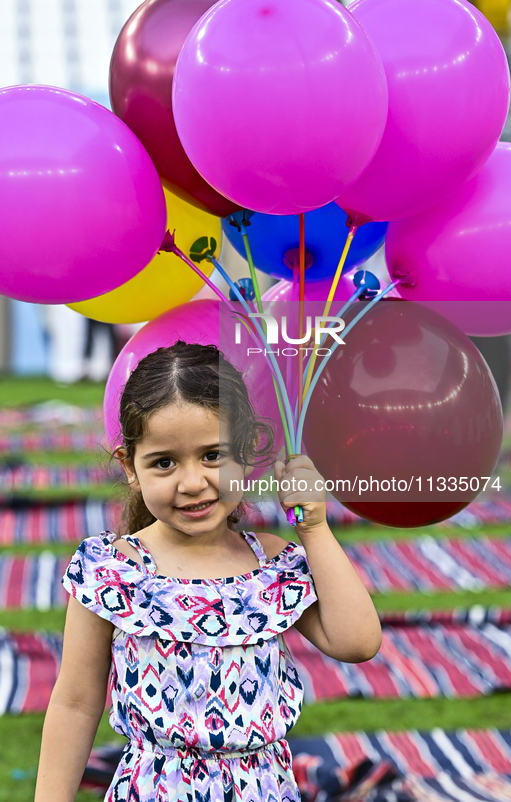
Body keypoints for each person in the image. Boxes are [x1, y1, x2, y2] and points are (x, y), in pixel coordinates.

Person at [34, 341, 382, 802]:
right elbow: (75, 703)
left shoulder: (272, 564)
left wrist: (314, 529)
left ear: (247, 449)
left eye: (213, 456)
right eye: (164, 462)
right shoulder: (111, 571)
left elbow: (357, 642)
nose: (193, 481)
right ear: (129, 466)